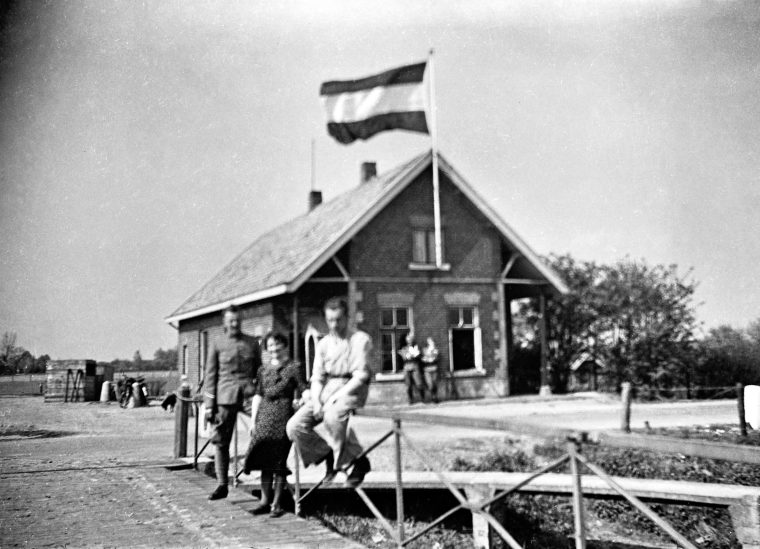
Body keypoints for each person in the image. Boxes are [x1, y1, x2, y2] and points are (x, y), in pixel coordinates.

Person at [286, 297, 372, 488]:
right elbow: (317, 377)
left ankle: (352, 464)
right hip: (328, 388)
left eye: (338, 320)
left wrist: (334, 398)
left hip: (352, 388)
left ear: (347, 317)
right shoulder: (324, 343)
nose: (334, 325)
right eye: (330, 320)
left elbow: (360, 376)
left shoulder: (360, 339)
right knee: (294, 426)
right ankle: (331, 456)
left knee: (332, 417)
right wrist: (317, 401)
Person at [243, 331, 306, 518]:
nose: (274, 348)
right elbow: (258, 395)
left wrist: (303, 402)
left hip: (283, 414)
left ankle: (276, 504)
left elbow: (304, 388)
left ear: (284, 346)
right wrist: (253, 421)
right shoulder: (262, 370)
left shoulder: (294, 367)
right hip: (264, 415)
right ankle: (264, 501)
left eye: (277, 344)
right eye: (270, 345)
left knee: (279, 459)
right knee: (263, 457)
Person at [203, 305, 262, 500]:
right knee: (220, 441)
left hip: (248, 395)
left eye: (237, 320)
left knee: (265, 427)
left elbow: (259, 371)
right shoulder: (217, 343)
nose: (235, 324)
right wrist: (209, 405)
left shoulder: (252, 343)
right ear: (225, 322)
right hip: (225, 397)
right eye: (231, 321)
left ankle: (252, 466)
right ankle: (222, 484)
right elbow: (210, 375)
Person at [399, 333, 427, 404]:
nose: (409, 341)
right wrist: (409, 355)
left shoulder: (416, 347)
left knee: (419, 383)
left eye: (410, 339)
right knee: (408, 385)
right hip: (407, 367)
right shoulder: (404, 348)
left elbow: (420, 356)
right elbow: (404, 357)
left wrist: (416, 354)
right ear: (406, 340)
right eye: (408, 339)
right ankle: (410, 399)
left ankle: (423, 398)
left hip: (415, 366)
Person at [421, 337, 440, 404]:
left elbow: (436, 357)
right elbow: (423, 359)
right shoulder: (424, 350)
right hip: (427, 370)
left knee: (434, 383)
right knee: (430, 384)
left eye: (432, 341)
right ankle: (433, 396)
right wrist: (428, 358)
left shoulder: (435, 350)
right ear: (427, 343)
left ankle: (435, 397)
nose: (431, 343)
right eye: (430, 342)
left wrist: (432, 357)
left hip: (434, 368)